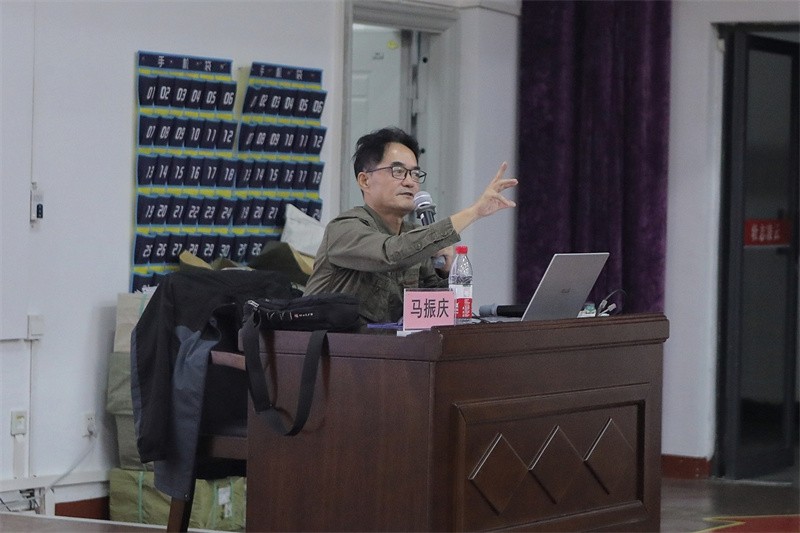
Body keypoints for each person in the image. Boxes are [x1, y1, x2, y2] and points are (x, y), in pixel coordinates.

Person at [303, 127, 518, 324]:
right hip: (329, 348)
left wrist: (446, 271)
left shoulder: (414, 236)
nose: (410, 182)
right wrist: (474, 212)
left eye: (415, 173)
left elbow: (435, 312)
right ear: (365, 181)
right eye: (398, 171)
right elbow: (391, 253)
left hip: (388, 348)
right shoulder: (343, 229)